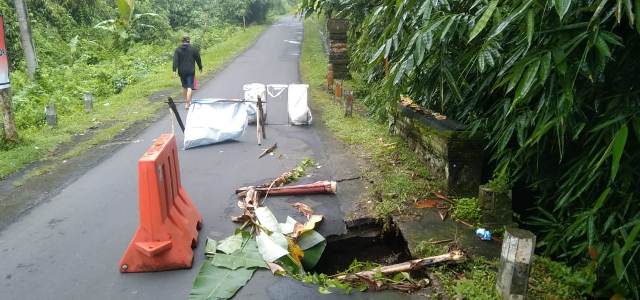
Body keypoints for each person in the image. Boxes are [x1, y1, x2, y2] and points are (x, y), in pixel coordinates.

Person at [173, 36, 202, 109]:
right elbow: (198, 59)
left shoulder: (178, 49)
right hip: (190, 71)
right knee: (190, 87)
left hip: (181, 71)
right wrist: (200, 67)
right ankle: (188, 104)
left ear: (182, 41)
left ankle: (186, 102)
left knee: (184, 87)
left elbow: (175, 61)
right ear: (189, 41)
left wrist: (174, 70)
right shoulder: (193, 49)